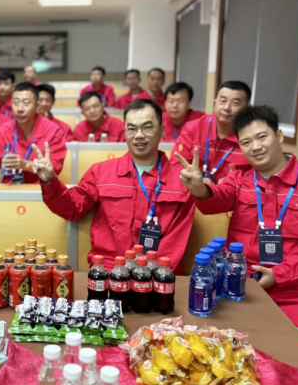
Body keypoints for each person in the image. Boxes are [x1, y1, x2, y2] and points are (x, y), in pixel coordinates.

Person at [176, 105, 298, 366]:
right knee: (216, 353)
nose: (255, 147)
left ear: (279, 135)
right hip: (241, 283)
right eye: (246, 142)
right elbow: (216, 199)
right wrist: (199, 187)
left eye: (262, 137)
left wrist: (280, 273)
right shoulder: (239, 180)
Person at [32, 99, 194, 270]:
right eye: (131, 128)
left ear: (161, 131)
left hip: (160, 274)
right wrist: (50, 181)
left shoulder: (181, 181)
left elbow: (175, 244)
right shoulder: (101, 172)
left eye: (147, 127)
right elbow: (71, 208)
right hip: (109, 270)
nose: (139, 135)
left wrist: (147, 274)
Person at [0, 82, 66, 186]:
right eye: (16, 103)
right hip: (10, 188)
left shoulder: (53, 131)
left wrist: (25, 165)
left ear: (37, 105)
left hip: (42, 188)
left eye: (26, 103)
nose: (20, 109)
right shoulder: (4, 130)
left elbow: (55, 166)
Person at [170, 80, 252, 183]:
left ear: (246, 108)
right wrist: (191, 177)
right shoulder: (193, 128)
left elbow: (256, 175)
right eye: (223, 101)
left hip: (232, 192)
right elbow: (176, 165)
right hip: (191, 189)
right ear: (215, 102)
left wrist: (232, 183)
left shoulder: (251, 137)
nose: (227, 108)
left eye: (235, 103)